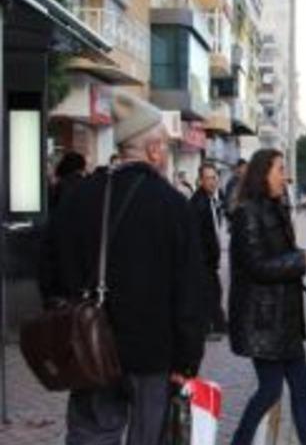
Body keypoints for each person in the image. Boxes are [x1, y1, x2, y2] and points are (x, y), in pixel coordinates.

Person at [40, 91, 207, 445]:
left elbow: (48, 270)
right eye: (163, 145)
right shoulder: (174, 206)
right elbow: (191, 291)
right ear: (152, 150)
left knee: (91, 435)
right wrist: (187, 361)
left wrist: (67, 322)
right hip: (153, 357)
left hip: (89, 350)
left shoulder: (77, 197)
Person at [229, 149, 306, 445]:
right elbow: (257, 265)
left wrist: (304, 257)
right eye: (279, 170)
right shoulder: (247, 212)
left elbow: (280, 254)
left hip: (286, 319)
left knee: (301, 384)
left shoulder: (277, 206)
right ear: (263, 174)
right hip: (263, 320)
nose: (285, 176)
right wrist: (302, 262)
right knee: (270, 389)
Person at [191, 162, 228, 335]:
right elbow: (195, 235)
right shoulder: (198, 203)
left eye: (214, 178)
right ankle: (211, 326)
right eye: (208, 178)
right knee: (210, 292)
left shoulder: (212, 199)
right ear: (200, 181)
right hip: (202, 259)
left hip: (210, 258)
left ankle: (217, 324)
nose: (212, 182)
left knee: (213, 291)